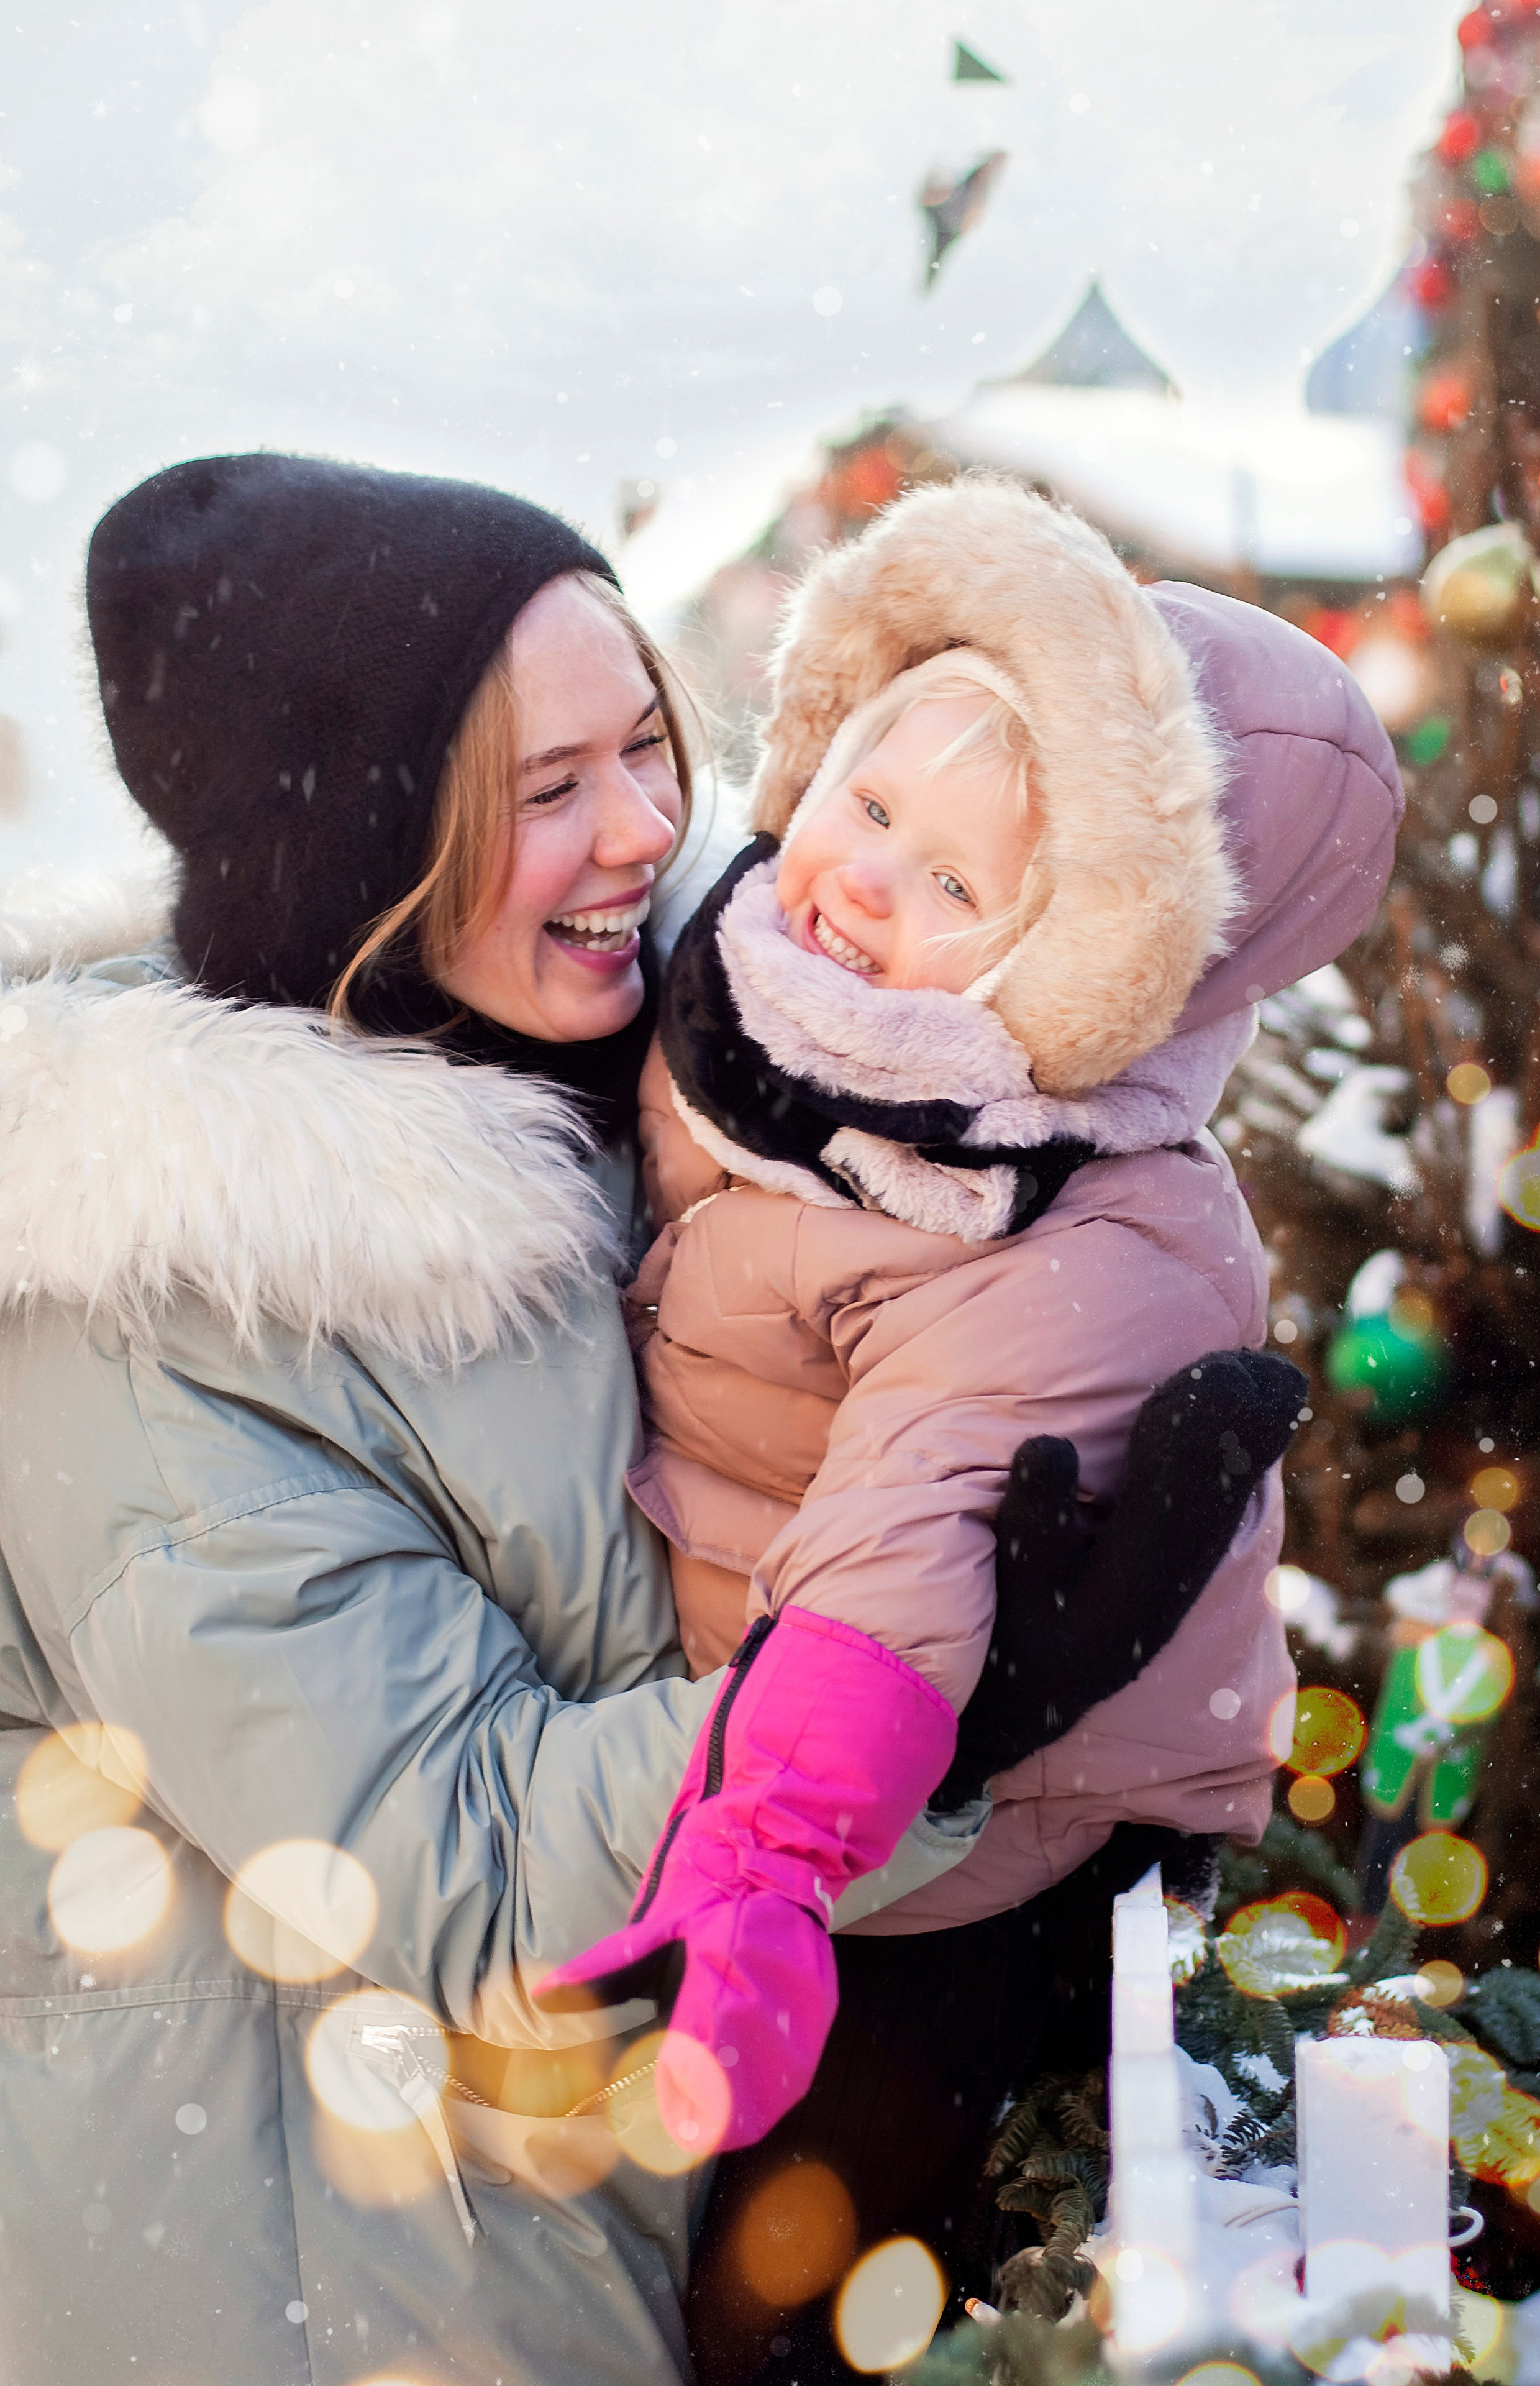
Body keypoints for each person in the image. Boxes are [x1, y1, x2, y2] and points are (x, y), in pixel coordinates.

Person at [536, 478, 1405, 2379]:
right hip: (810, 1757)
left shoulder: (1093, 1223)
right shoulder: (776, 1003)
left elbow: (911, 1526)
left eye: (959, 888)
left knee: (802, 2295)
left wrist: (765, 1858)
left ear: (1098, 957)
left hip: (980, 1825)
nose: (862, 886)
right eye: (870, 807)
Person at [0, 449, 780, 2386]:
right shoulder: (160, 1301)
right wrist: (925, 1704)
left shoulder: (630, 1112)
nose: (645, 830)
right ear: (361, 849)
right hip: (320, 2302)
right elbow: (456, 1862)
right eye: (548, 791)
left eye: (649, 747)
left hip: (564, 2239)